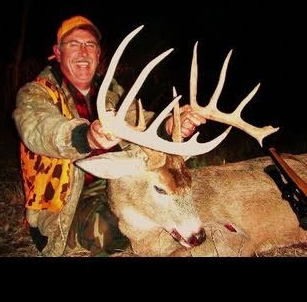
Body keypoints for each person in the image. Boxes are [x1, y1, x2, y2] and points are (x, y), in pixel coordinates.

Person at [13, 15, 206, 256]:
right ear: (58, 52)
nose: (83, 52)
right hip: (66, 203)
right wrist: (86, 138)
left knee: (178, 177)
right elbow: (39, 130)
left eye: (90, 45)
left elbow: (141, 119)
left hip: (116, 181)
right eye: (74, 44)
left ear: (97, 54)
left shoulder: (111, 92)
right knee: (112, 229)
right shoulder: (36, 93)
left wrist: (169, 125)